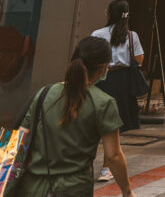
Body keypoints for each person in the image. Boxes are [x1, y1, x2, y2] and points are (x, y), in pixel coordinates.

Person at [18, 36, 136, 196]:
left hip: (33, 188)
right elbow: (113, 156)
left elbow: (19, 140)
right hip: (73, 189)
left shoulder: (43, 94)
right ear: (103, 68)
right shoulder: (104, 103)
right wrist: (127, 191)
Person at [91, 0, 145, 182]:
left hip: (100, 79)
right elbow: (139, 59)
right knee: (113, 128)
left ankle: (87, 162)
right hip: (121, 83)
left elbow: (90, 57)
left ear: (109, 14)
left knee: (94, 123)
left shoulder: (97, 34)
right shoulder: (131, 36)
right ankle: (106, 168)